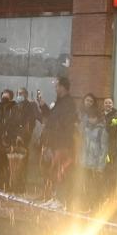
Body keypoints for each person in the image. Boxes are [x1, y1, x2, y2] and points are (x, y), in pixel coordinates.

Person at [39, 77, 77, 208]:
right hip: (55, 142)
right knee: (54, 171)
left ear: (63, 87)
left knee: (61, 171)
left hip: (63, 143)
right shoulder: (60, 102)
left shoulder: (68, 103)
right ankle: (54, 197)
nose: (55, 89)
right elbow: (52, 118)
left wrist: (60, 138)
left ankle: (61, 200)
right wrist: (43, 107)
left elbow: (65, 124)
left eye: (57, 86)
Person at [0, 89, 23, 192]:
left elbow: (17, 123)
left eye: (6, 97)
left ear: (10, 98)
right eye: (3, 97)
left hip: (8, 139)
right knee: (0, 162)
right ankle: (1, 182)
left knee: (9, 163)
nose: (4, 99)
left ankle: (9, 184)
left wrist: (14, 136)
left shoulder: (15, 108)